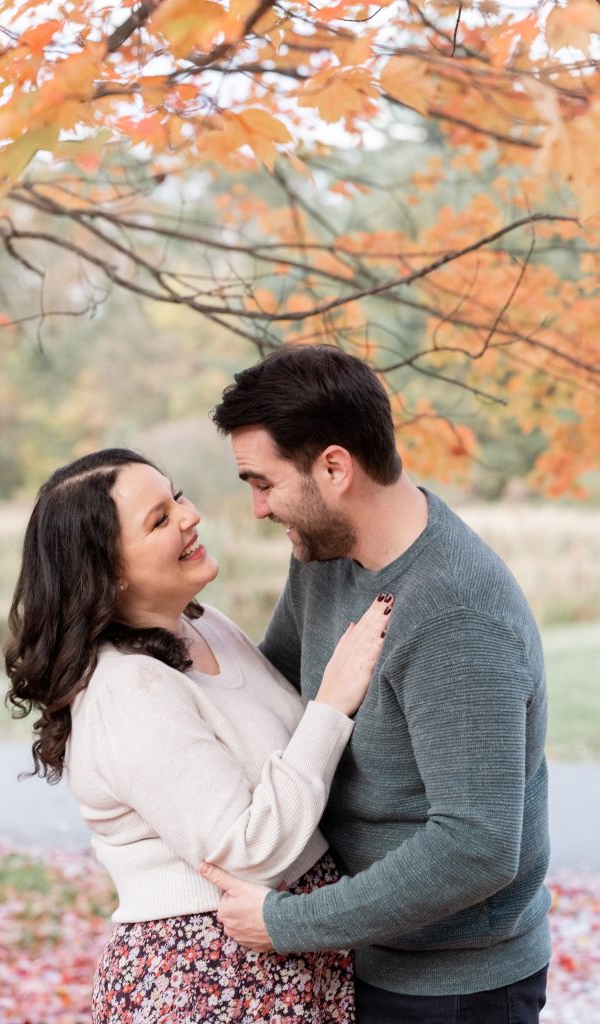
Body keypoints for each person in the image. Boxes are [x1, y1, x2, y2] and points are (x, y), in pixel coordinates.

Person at [202, 344, 551, 1024]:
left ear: (334, 468)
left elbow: (475, 847)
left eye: (263, 483)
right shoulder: (328, 557)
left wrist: (287, 923)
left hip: (454, 988)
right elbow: (272, 691)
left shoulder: (455, 612)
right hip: (360, 953)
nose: (256, 509)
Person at [4, 447, 394, 1024]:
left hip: (282, 948)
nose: (190, 517)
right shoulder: (126, 691)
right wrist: (333, 703)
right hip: (204, 974)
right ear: (109, 571)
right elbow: (248, 853)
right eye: (159, 520)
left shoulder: (204, 625)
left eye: (177, 496)